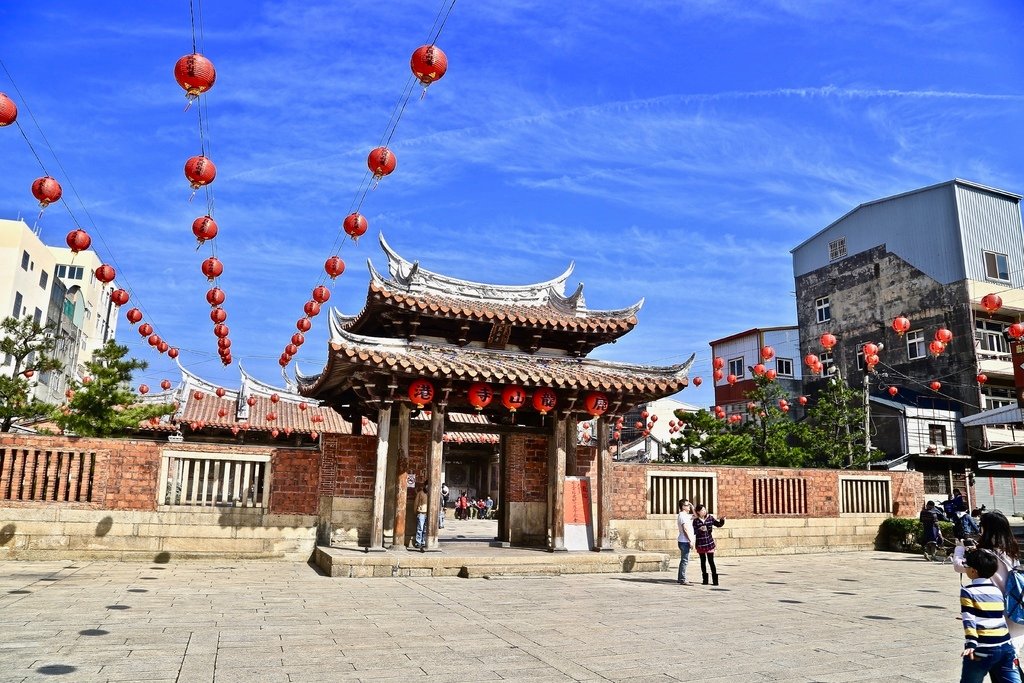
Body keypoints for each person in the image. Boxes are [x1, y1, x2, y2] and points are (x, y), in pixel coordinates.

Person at [954, 511, 1024, 652]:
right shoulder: (1011, 550)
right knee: (1010, 659)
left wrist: (960, 548)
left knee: (1005, 664)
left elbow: (960, 566)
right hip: (1017, 607)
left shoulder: (985, 554)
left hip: (997, 610)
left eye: (981, 525)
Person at [957, 547, 1022, 683]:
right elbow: (995, 615)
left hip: (981, 648)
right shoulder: (996, 591)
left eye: (966, 566)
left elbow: (969, 619)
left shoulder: (968, 592)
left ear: (973, 571)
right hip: (1005, 646)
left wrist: (971, 644)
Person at [692, 503, 726, 585]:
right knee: (702, 561)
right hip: (700, 543)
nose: (704, 511)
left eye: (704, 509)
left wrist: (722, 520)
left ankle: (715, 580)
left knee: (711, 561)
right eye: (702, 510)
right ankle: (705, 580)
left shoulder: (710, 518)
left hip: (709, 542)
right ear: (698, 512)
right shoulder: (696, 521)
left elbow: (718, 524)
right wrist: (700, 529)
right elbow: (694, 531)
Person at [676, 499, 695, 586]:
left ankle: (681, 578)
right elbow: (685, 529)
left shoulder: (686, 515)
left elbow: (696, 516)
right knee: (684, 561)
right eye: (687, 505)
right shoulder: (682, 516)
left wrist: (692, 506)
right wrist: (690, 540)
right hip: (684, 541)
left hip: (684, 541)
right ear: (683, 507)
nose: (689, 507)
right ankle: (682, 579)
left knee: (684, 560)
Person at [413, 482, 428, 551]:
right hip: (422, 513)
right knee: (420, 528)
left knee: (425, 529)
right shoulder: (420, 493)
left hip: (428, 513)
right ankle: (418, 542)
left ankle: (423, 541)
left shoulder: (432, 493)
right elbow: (416, 502)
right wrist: (415, 511)